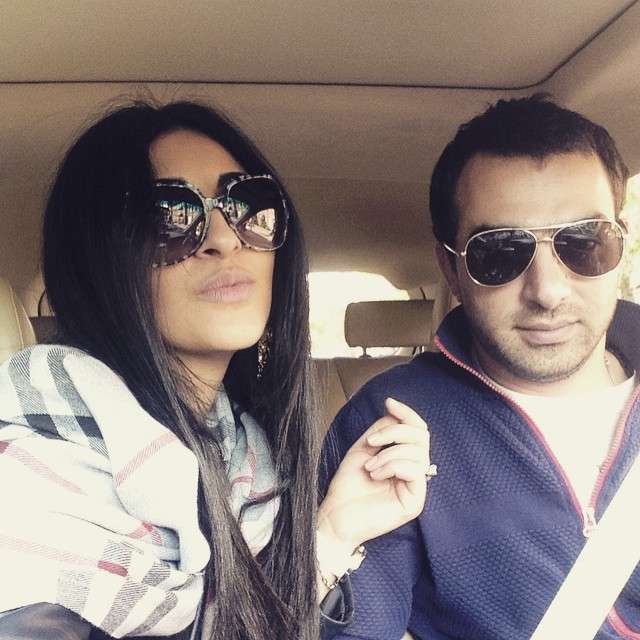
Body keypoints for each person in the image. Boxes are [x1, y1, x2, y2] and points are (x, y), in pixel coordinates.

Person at [0, 101, 432, 640]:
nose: (225, 238)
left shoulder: (247, 461)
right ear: (97, 259)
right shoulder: (35, 477)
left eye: (248, 205)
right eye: (169, 216)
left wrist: (334, 532)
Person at [321, 94, 640, 639]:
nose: (547, 291)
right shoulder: (390, 425)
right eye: (500, 253)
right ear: (451, 268)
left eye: (584, 243)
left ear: (621, 243)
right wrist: (329, 544)